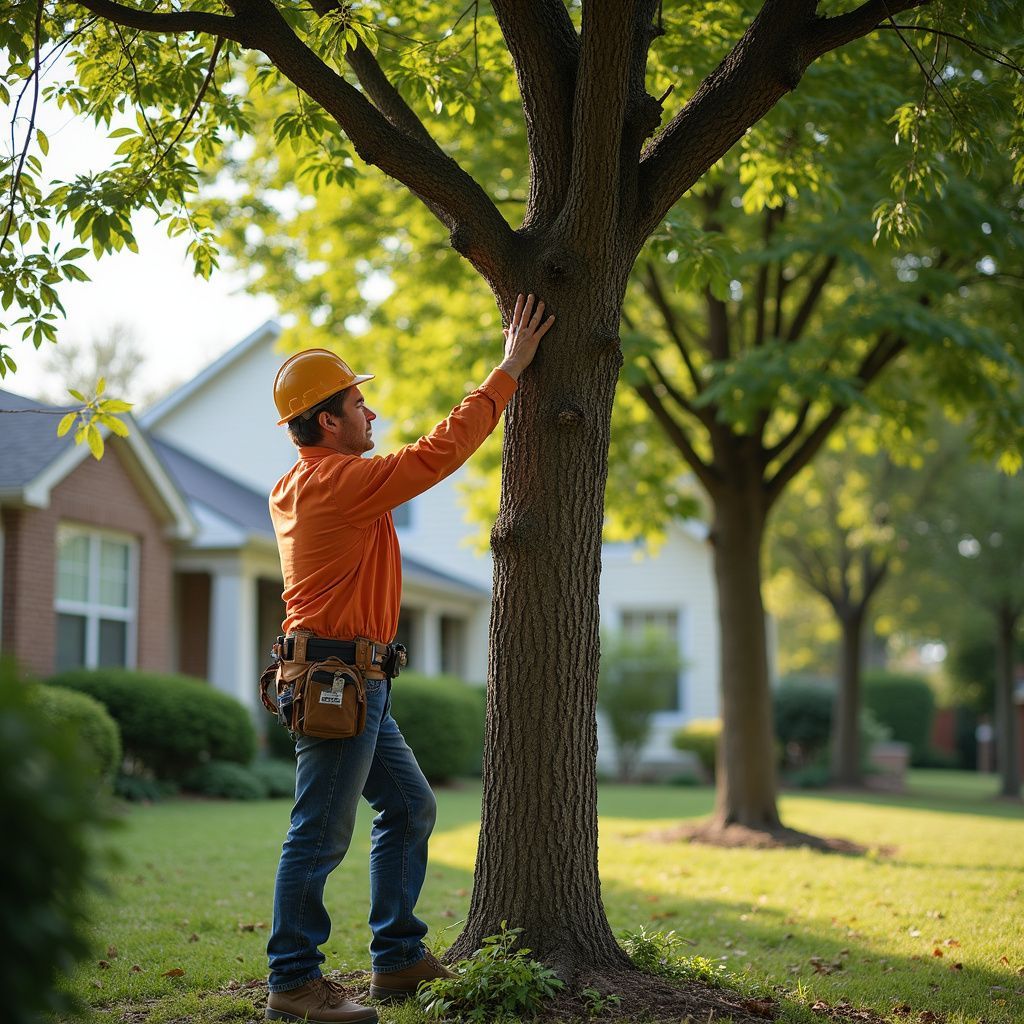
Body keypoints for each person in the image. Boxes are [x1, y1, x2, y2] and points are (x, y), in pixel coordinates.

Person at [264, 294, 555, 1024]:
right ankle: (294, 982)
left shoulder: (304, 482)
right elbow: (437, 454)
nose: (373, 417)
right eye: (360, 405)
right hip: (338, 684)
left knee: (409, 805)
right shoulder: (337, 484)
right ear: (327, 420)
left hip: (355, 681)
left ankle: (396, 959)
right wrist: (507, 371)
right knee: (320, 832)